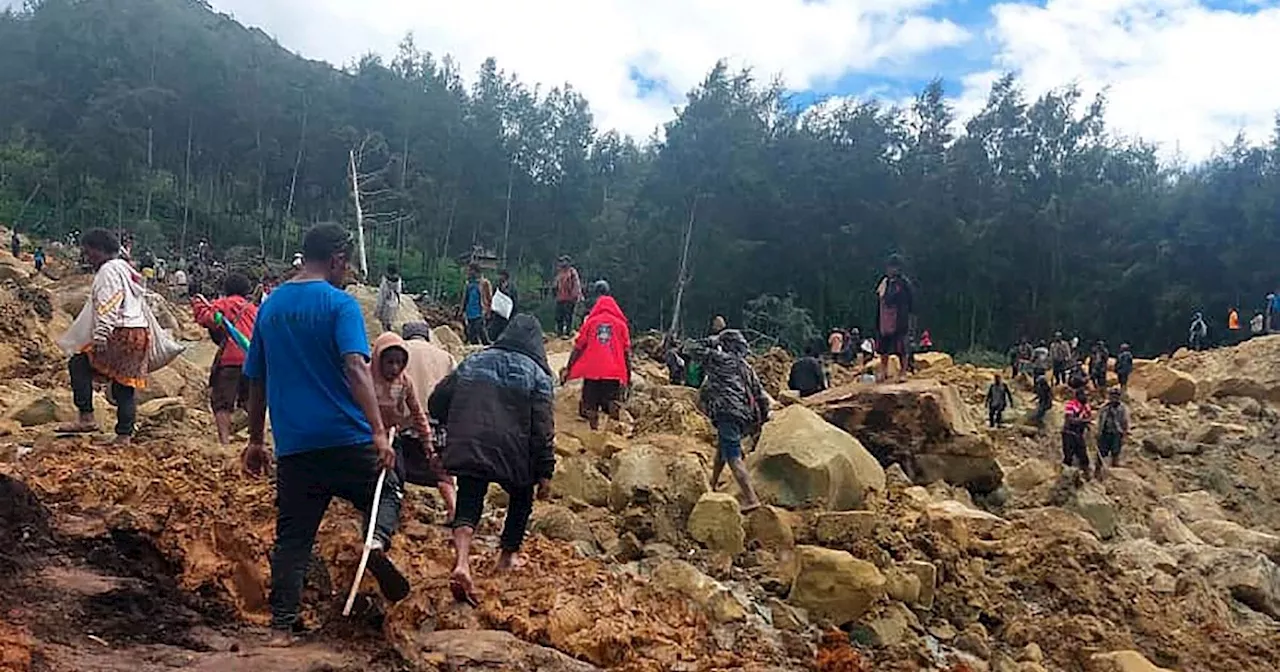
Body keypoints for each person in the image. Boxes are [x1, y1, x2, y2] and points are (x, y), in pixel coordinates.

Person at [240, 223, 409, 638]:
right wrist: (377, 431)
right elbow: (355, 366)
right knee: (388, 488)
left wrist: (256, 441)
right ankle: (375, 543)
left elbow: (256, 382)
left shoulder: (271, 307)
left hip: (296, 446)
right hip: (347, 437)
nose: (347, 272)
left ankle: (281, 629)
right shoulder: (340, 305)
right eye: (346, 265)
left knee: (293, 539)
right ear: (336, 259)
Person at [428, 314, 555, 607]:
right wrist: (545, 471)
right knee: (521, 498)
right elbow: (542, 427)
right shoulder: (538, 374)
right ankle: (507, 556)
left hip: (471, 443)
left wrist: (453, 424)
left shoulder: (474, 361)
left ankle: (462, 561)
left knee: (470, 497)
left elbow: (437, 400)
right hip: (514, 452)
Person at [56, 229, 149, 445]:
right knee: (124, 384)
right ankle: (124, 435)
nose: (88, 258)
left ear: (100, 250)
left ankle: (86, 417)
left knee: (79, 364)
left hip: (120, 332)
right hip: (139, 332)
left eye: (90, 253)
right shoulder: (127, 269)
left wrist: (101, 334)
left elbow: (111, 301)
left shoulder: (108, 271)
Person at [369, 331, 456, 523]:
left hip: (403, 428)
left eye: (399, 363)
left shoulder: (398, 367)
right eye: (391, 363)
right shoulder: (445, 356)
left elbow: (414, 410)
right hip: (433, 422)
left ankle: (389, 513)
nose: (395, 367)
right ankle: (453, 510)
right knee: (442, 474)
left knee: (396, 472)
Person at [686, 329, 767, 511]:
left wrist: (712, 340)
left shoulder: (719, 359)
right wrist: (762, 421)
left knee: (733, 457)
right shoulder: (746, 367)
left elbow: (690, 347)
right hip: (743, 415)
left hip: (727, 412)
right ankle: (712, 484)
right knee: (722, 451)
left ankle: (751, 498)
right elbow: (761, 396)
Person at [191, 273, 258, 445]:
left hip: (230, 359)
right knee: (250, 400)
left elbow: (207, 318)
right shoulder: (253, 309)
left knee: (222, 402)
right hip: (252, 359)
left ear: (225, 289)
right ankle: (253, 439)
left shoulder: (223, 304)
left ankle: (224, 441)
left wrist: (198, 303)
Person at [563, 280, 632, 431]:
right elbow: (627, 352)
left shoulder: (591, 322)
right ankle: (612, 435)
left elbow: (578, 347)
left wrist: (569, 367)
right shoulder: (621, 324)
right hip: (613, 372)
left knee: (590, 405)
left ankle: (594, 433)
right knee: (612, 402)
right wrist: (628, 374)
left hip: (592, 370)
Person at [875, 255, 914, 383]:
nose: (891, 270)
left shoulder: (904, 284)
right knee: (883, 348)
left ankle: (903, 372)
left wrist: (910, 317)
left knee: (902, 347)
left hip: (900, 319)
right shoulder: (884, 282)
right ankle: (884, 371)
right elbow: (880, 300)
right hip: (885, 320)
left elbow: (912, 302)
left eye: (894, 267)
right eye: (890, 267)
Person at [1096, 387, 1130, 473]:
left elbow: (1125, 421)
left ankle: (1115, 467)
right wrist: (1098, 431)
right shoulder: (1105, 407)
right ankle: (1098, 470)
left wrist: (1125, 433)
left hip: (1116, 432)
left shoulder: (1122, 408)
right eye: (1112, 396)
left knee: (1115, 451)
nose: (1114, 398)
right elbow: (1100, 419)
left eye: (1116, 396)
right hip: (1105, 432)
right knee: (1101, 452)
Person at [1062, 388, 1093, 475]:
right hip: (1069, 433)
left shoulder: (1086, 406)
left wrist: (1086, 421)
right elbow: (1069, 419)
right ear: (1078, 396)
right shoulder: (1071, 404)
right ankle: (1065, 475)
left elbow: (1090, 417)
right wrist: (1083, 421)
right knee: (1068, 456)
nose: (1086, 397)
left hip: (1079, 433)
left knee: (1083, 456)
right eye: (1084, 395)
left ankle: (1085, 475)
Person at [460, 263, 493, 345]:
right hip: (470, 311)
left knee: (480, 330)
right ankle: (474, 346)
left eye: (470, 270)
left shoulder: (484, 283)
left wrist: (488, 311)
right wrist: (461, 310)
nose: (469, 272)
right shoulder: (469, 284)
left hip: (479, 311)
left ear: (475, 271)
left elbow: (489, 298)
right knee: (471, 332)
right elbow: (465, 298)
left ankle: (487, 345)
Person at [553, 256, 583, 339]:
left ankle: (568, 332)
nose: (562, 263)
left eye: (564, 261)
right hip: (560, 298)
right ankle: (559, 333)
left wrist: (576, 296)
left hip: (569, 299)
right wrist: (554, 293)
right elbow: (556, 284)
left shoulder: (572, 272)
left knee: (568, 316)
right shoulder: (560, 273)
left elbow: (576, 285)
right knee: (559, 316)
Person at [488, 269, 518, 342]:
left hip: (507, 317)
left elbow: (515, 302)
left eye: (501, 275)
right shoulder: (496, 286)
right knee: (493, 334)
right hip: (497, 315)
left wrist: (513, 315)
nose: (499, 277)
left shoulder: (512, 288)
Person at [375, 264, 403, 333]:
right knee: (390, 323)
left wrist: (378, 311)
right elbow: (399, 292)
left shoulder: (385, 282)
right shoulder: (398, 281)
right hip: (394, 302)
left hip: (386, 303)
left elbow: (381, 296)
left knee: (384, 324)